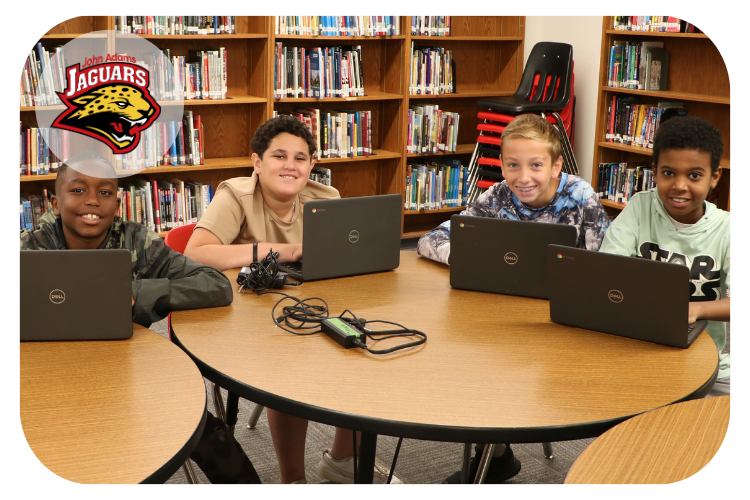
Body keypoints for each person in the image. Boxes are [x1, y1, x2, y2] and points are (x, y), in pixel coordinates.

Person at [184, 115, 402, 484]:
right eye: (279, 156)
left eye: (301, 158)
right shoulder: (236, 195)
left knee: (362, 350)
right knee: (285, 375)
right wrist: (284, 251)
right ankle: (293, 481)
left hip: (308, 311)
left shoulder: (325, 198)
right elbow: (197, 253)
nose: (290, 165)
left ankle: (343, 460)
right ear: (257, 162)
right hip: (245, 324)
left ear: (312, 165)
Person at [20, 151, 261, 484]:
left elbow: (216, 285)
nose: (92, 200)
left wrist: (138, 294)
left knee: (212, 435)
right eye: (78, 190)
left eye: (105, 192)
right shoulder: (29, 249)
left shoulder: (135, 240)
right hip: (49, 380)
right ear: (55, 203)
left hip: (129, 375)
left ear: (117, 204)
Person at [417, 113, 611, 484]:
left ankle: (497, 451)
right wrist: (466, 255)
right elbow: (432, 238)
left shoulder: (580, 196)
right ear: (502, 165)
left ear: (556, 166)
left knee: (498, 367)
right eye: (512, 165)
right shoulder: (497, 194)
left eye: (536, 165)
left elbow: (600, 266)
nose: (523, 177)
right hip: (502, 315)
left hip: (558, 322)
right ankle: (496, 452)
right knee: (459, 353)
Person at [600, 116, 730, 396]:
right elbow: (607, 268)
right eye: (668, 173)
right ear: (655, 172)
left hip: (702, 355)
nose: (679, 185)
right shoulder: (640, 207)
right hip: (637, 344)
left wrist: (695, 309)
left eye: (694, 175)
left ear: (714, 177)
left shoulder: (730, 229)